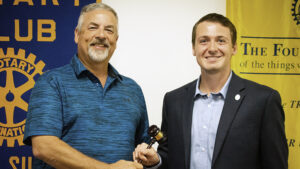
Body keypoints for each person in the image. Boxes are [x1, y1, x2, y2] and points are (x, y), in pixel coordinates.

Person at [133, 13, 288, 169]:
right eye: (204, 41)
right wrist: (156, 161)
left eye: (221, 41)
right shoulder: (173, 101)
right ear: (194, 48)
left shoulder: (263, 100)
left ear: (234, 48)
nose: (212, 48)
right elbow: (169, 157)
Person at [23, 3, 149, 169]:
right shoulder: (51, 82)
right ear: (77, 34)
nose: (101, 35)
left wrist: (150, 158)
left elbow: (142, 148)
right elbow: (43, 147)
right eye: (93, 27)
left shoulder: (133, 89)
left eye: (109, 30)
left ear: (116, 41)